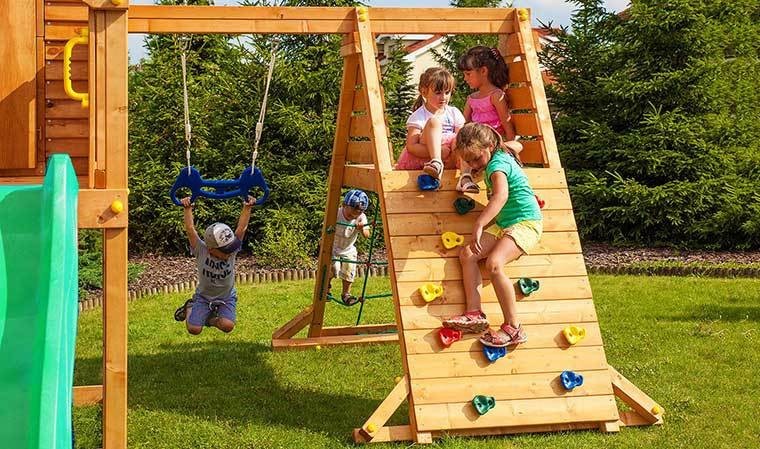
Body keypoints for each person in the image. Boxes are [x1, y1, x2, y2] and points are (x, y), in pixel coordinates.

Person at [442, 123, 542, 348]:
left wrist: (479, 223)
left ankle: (514, 328)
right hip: (506, 223)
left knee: (495, 264)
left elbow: (501, 196)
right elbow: (515, 145)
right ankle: (474, 312)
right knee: (468, 254)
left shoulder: (497, 165)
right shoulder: (494, 154)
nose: (474, 165)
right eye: (469, 161)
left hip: (525, 222)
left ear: (489, 146)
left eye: (477, 159)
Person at [173, 195, 255, 334]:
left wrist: (247, 207)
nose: (230, 253)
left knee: (228, 326)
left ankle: (210, 318)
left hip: (227, 296)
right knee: (194, 329)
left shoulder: (232, 250)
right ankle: (190, 307)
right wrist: (187, 208)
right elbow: (190, 229)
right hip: (204, 297)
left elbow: (242, 227)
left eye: (231, 248)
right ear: (211, 249)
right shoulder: (201, 250)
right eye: (226, 250)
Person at [457, 46, 518, 193]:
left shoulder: (496, 95)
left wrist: (511, 156)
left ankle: (473, 172)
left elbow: (507, 125)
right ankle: (466, 177)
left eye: (468, 74)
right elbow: (462, 125)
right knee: (460, 144)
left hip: (494, 145)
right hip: (476, 144)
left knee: (514, 146)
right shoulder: (471, 99)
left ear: (483, 71)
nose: (465, 78)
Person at [396, 67, 465, 180]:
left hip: (451, 157)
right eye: (438, 93)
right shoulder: (419, 116)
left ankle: (465, 175)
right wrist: (438, 152)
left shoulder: (454, 112)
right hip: (426, 159)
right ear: (424, 92)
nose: (443, 97)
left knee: (463, 136)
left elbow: (462, 140)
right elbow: (411, 146)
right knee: (434, 122)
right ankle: (436, 162)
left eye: (447, 92)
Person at [331, 189, 371, 305]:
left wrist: (362, 229)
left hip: (348, 248)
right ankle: (326, 289)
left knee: (349, 270)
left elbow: (367, 235)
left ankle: (346, 294)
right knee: (333, 269)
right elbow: (326, 228)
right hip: (333, 247)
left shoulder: (361, 218)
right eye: (350, 214)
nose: (352, 217)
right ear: (344, 205)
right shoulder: (336, 213)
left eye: (356, 214)